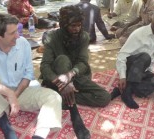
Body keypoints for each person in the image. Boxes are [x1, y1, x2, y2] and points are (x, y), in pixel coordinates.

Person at [0, 13, 62, 139]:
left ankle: (39, 136)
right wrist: (8, 93)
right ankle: (8, 131)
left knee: (53, 96)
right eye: (12, 33)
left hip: (20, 93)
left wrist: (14, 95)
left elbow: (28, 75)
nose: (17, 35)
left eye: (17, 31)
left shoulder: (23, 44)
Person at [40, 5, 111, 138]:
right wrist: (61, 81)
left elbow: (83, 63)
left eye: (79, 25)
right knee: (62, 59)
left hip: (76, 76)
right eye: (73, 25)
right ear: (63, 24)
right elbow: (45, 66)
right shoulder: (52, 37)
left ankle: (63, 97)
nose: (76, 29)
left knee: (104, 98)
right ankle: (74, 113)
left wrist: (70, 75)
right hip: (57, 78)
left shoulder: (83, 36)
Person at [111, 10, 154, 109]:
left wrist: (149, 74)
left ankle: (124, 89)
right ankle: (127, 93)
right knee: (145, 57)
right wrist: (122, 76)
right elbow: (122, 55)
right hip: (131, 67)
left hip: (143, 71)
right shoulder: (139, 33)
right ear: (151, 19)